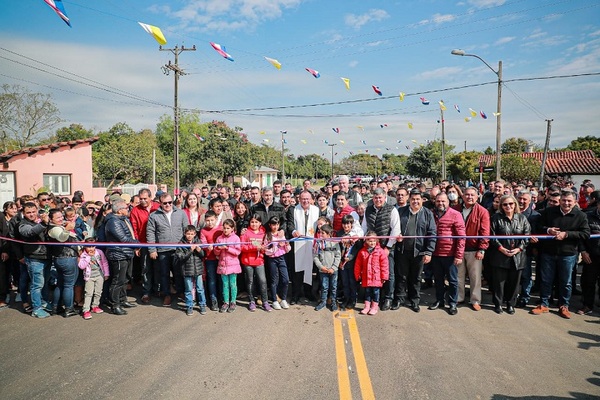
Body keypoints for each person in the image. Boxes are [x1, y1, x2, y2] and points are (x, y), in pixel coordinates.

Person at [532, 190, 590, 318]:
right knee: (546, 280)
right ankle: (544, 304)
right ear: (560, 201)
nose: (566, 203)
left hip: (568, 254)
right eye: (564, 200)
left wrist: (567, 234)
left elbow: (585, 234)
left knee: (566, 282)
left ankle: (564, 305)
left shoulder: (581, 216)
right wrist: (548, 230)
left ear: (575, 202)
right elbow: (539, 227)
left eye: (569, 201)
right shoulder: (549, 212)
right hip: (548, 252)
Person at [394, 189, 437, 312]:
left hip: (419, 252)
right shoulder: (400, 212)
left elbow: (432, 233)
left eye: (418, 199)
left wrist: (429, 252)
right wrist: (398, 235)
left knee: (416, 278)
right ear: (409, 199)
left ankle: (414, 301)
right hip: (402, 250)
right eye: (413, 199)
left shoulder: (428, 214)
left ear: (422, 200)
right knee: (401, 276)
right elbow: (395, 228)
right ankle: (399, 299)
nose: (415, 201)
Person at [488, 195, 531, 314]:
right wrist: (501, 248)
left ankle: (510, 304)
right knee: (499, 282)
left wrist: (519, 249)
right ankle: (498, 304)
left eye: (511, 204)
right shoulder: (495, 218)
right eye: (505, 204)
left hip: (517, 256)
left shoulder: (522, 218)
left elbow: (526, 237)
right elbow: (492, 236)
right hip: (500, 255)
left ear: (515, 204)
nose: (508, 206)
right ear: (501, 206)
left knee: (514, 282)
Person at [361, 188, 401, 311]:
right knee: (371, 273)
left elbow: (395, 229)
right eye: (376, 197)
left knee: (388, 273)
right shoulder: (368, 209)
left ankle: (388, 298)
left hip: (386, 247)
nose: (378, 200)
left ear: (384, 197)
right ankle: (373, 299)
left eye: (380, 197)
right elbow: (364, 227)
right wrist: (364, 242)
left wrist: (388, 247)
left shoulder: (392, 210)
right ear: (373, 198)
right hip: (371, 247)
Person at [147, 193, 188, 307]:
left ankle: (180, 292)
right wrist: (152, 249)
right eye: (165, 203)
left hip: (178, 248)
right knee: (164, 274)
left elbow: (187, 229)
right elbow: (150, 233)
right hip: (162, 249)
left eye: (170, 202)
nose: (168, 205)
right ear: (160, 203)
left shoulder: (181, 213)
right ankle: (166, 294)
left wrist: (186, 246)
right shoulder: (154, 216)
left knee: (178, 273)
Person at [453, 186, 490, 311]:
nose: (469, 197)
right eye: (467, 195)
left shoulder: (482, 211)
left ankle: (475, 300)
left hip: (474, 250)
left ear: (477, 196)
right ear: (462, 196)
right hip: (458, 249)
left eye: (472, 195)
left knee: (475, 277)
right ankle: (459, 297)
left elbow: (485, 232)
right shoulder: (455, 209)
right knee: (459, 275)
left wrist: (482, 249)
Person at [429, 193, 466, 315]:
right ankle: (439, 300)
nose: (441, 203)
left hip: (450, 254)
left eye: (443, 201)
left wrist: (459, 255)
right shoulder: (431, 214)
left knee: (453, 281)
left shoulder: (456, 215)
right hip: (435, 253)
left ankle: (452, 303)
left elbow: (461, 237)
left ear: (448, 202)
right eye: (438, 201)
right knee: (438, 280)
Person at [104, 200, 139, 315]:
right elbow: (123, 239)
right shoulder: (113, 222)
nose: (128, 209)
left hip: (127, 253)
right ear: (119, 210)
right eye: (126, 208)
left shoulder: (123, 219)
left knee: (125, 279)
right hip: (118, 254)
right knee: (118, 280)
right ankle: (115, 305)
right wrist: (137, 243)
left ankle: (123, 300)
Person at [18, 202, 51, 318]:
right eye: (28, 212)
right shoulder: (23, 224)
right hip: (34, 258)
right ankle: (36, 309)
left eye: (33, 212)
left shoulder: (40, 220)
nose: (31, 214)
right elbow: (30, 232)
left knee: (45, 283)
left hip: (46, 256)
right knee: (37, 285)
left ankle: (44, 303)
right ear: (23, 213)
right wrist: (43, 223)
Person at [46, 209, 79, 317]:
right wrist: (66, 229)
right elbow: (61, 238)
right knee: (69, 285)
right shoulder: (55, 229)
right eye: (57, 218)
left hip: (61, 259)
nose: (61, 219)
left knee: (60, 284)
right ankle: (69, 309)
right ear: (51, 219)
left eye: (61, 216)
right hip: (67, 259)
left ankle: (56, 307)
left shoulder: (56, 227)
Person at [289, 190, 320, 303]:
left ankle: (308, 292)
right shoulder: (294, 209)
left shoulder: (316, 210)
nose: (305, 201)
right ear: (299, 199)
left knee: (309, 268)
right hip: (298, 243)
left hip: (311, 243)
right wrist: (294, 231)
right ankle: (295, 294)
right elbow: (290, 224)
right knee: (297, 269)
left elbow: (320, 226)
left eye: (307, 199)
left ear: (311, 199)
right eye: (303, 199)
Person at [240, 214, 271, 312]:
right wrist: (254, 248)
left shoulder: (263, 233)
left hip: (259, 261)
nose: (254, 224)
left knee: (262, 281)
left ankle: (265, 301)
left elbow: (265, 247)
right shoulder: (245, 232)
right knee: (250, 281)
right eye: (252, 222)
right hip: (247, 261)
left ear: (260, 223)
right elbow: (242, 247)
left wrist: (262, 249)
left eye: (256, 222)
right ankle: (252, 301)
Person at [355, 231, 389, 315]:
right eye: (370, 241)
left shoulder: (380, 251)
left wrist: (384, 277)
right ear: (366, 241)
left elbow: (384, 265)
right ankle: (367, 306)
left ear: (377, 241)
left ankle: (374, 307)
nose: (372, 243)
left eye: (374, 241)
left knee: (376, 292)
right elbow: (358, 264)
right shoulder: (362, 252)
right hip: (366, 276)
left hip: (377, 277)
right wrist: (358, 274)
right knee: (367, 292)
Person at [174, 225, 206, 316]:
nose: (190, 236)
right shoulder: (181, 244)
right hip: (187, 270)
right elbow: (181, 257)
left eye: (192, 234)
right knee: (188, 289)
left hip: (198, 270)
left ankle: (202, 305)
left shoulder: (198, 241)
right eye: (188, 234)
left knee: (200, 289)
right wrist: (190, 250)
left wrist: (199, 251)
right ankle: (189, 306)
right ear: (184, 233)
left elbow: (203, 255)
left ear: (195, 234)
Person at [214, 219, 242, 313]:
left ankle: (233, 301)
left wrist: (228, 248)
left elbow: (238, 252)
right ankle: (226, 302)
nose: (225, 230)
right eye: (224, 228)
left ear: (232, 229)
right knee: (225, 285)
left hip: (233, 265)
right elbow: (215, 252)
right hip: (223, 265)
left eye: (228, 228)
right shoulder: (219, 238)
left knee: (233, 284)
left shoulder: (236, 238)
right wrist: (218, 248)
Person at [78, 238, 110, 320]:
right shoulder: (83, 255)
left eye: (93, 246)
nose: (91, 248)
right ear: (85, 247)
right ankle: (86, 310)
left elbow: (104, 262)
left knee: (98, 292)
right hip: (89, 277)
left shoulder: (99, 252)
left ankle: (95, 306)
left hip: (99, 275)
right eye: (88, 246)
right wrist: (88, 257)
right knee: (88, 293)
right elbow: (81, 266)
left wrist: (106, 273)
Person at [264, 216, 291, 310]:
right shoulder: (267, 236)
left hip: (282, 258)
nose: (275, 227)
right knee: (274, 280)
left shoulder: (281, 234)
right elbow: (267, 251)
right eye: (273, 224)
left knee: (285, 279)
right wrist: (277, 246)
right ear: (270, 225)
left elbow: (287, 250)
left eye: (277, 224)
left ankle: (283, 298)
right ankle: (274, 300)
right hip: (272, 259)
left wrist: (287, 245)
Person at [579, 198, 600, 315]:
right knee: (588, 282)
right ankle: (587, 305)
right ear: (598, 204)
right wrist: (583, 251)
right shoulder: (587, 217)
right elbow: (582, 235)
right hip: (591, 255)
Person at [336, 215, 362, 310]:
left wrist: (350, 257)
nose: (346, 226)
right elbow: (337, 248)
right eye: (344, 223)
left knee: (352, 282)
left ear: (351, 225)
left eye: (348, 224)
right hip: (342, 262)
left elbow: (357, 248)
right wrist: (340, 259)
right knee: (345, 282)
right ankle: (346, 299)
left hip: (352, 263)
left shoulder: (355, 235)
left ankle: (353, 299)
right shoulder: (339, 234)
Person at [313, 224, 341, 311]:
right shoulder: (318, 244)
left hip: (333, 270)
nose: (321, 235)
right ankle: (323, 302)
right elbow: (315, 257)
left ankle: (333, 302)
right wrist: (321, 267)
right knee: (324, 287)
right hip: (323, 270)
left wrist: (334, 268)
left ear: (329, 234)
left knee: (333, 287)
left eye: (323, 233)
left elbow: (338, 256)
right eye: (320, 233)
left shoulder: (335, 243)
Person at [200, 211, 223, 311]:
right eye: (208, 220)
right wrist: (206, 247)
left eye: (212, 220)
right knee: (212, 280)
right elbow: (203, 243)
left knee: (221, 280)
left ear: (216, 220)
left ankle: (222, 300)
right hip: (209, 259)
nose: (210, 222)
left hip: (221, 259)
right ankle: (213, 300)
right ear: (205, 221)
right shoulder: (203, 231)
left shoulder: (220, 230)